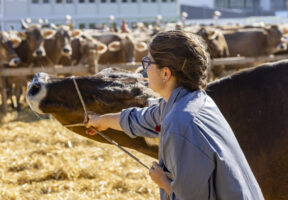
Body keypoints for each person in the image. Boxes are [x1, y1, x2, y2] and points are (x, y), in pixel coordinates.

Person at [86, 30, 264, 200]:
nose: (144, 69)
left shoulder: (180, 123)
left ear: (165, 73)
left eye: (148, 63)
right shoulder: (193, 101)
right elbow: (141, 119)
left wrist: (163, 183)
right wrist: (101, 121)